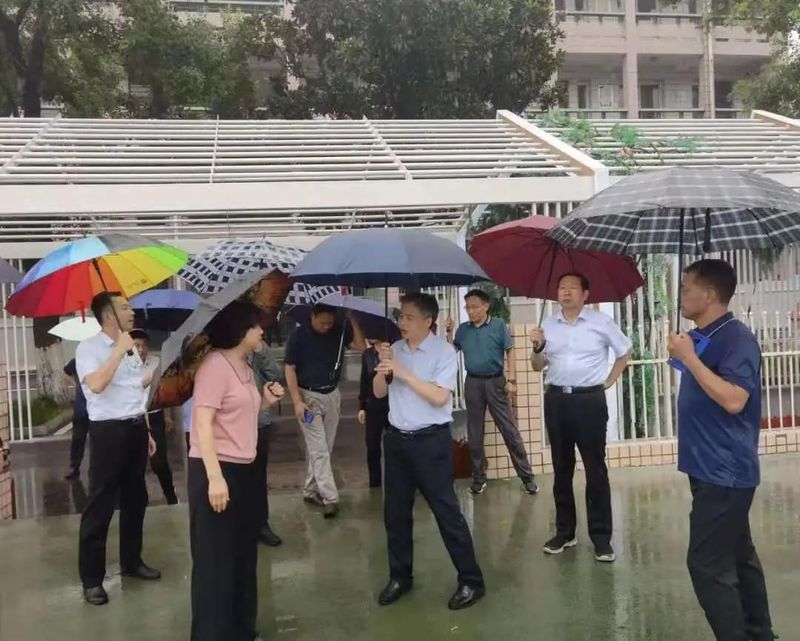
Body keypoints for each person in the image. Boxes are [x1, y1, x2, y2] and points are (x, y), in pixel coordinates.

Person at [667, 259, 776, 641]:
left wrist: (691, 359)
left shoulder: (737, 338)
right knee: (738, 556)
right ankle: (759, 632)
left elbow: (734, 400)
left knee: (707, 565)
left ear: (708, 294)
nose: (680, 295)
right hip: (706, 468)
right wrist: (685, 352)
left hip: (725, 471)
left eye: (685, 288)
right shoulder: (703, 333)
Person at [374, 292, 485, 610]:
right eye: (400, 317)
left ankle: (471, 581)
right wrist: (384, 368)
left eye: (408, 317)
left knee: (447, 513)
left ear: (428, 321)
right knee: (395, 515)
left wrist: (404, 372)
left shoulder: (444, 352)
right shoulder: (393, 349)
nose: (401, 322)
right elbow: (380, 392)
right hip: (396, 441)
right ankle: (400, 577)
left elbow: (438, 397)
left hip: (430, 443)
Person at [188, 300, 284, 641]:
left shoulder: (245, 364)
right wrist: (215, 478)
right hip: (217, 472)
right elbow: (202, 422)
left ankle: (241, 629)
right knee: (216, 562)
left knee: (243, 557)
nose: (262, 330)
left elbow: (240, 415)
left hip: (244, 470)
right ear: (240, 330)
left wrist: (267, 401)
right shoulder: (214, 365)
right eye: (256, 325)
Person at [530, 273, 631, 562]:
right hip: (557, 399)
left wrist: (609, 381)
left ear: (586, 294)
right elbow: (537, 366)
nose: (566, 292)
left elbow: (625, 352)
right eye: (562, 288)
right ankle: (565, 532)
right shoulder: (547, 325)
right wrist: (537, 348)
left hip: (590, 400)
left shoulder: (601, 322)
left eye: (573, 288)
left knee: (595, 468)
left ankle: (601, 537)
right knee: (561, 468)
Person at [75, 291, 160, 606]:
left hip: (136, 428)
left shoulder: (131, 349)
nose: (131, 311)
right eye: (124, 307)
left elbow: (135, 388)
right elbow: (96, 384)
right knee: (100, 504)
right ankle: (92, 579)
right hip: (108, 432)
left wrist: (148, 428)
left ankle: (132, 561)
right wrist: (117, 351)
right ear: (108, 314)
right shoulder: (89, 348)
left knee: (136, 498)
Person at [446, 289, 537, 496]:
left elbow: (510, 350)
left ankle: (527, 478)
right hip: (473, 383)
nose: (470, 311)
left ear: (486, 306)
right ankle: (478, 479)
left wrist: (512, 379)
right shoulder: (463, 330)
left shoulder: (498, 326)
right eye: (467, 307)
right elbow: (450, 352)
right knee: (475, 433)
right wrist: (449, 334)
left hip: (496, 381)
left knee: (509, 430)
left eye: (474, 307)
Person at [284, 304, 366, 518]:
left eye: (330, 322)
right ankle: (330, 498)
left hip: (332, 395)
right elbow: (289, 368)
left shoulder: (339, 330)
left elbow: (361, 346)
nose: (326, 326)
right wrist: (296, 401)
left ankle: (310, 490)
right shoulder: (298, 336)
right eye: (322, 322)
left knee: (324, 447)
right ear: (312, 317)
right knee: (319, 448)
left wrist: (352, 319)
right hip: (308, 399)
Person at [129, 329, 179, 505]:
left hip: (155, 415)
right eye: (137, 345)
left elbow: (163, 392)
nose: (141, 349)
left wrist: (167, 416)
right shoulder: (126, 365)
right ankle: (139, 499)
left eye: (144, 345)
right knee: (137, 462)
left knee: (159, 460)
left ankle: (170, 495)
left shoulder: (156, 363)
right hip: (135, 417)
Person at [249, 338, 283, 547]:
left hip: (259, 422)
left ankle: (261, 524)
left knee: (258, 477)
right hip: (232, 426)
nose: (260, 330)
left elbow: (276, 376)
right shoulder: (221, 352)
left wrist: (260, 350)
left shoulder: (256, 349)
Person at [357, 338, 390, 488]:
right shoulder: (368, 354)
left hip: (391, 405)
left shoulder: (392, 351)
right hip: (372, 405)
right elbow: (364, 381)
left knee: (392, 446)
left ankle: (396, 481)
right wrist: (362, 406)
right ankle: (375, 483)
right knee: (372, 446)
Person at [63, 358, 89, 480]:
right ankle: (74, 467)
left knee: (99, 441)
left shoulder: (102, 358)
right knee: (78, 439)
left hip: (99, 410)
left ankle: (99, 469)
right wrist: (75, 383)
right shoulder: (78, 359)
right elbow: (66, 372)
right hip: (81, 408)